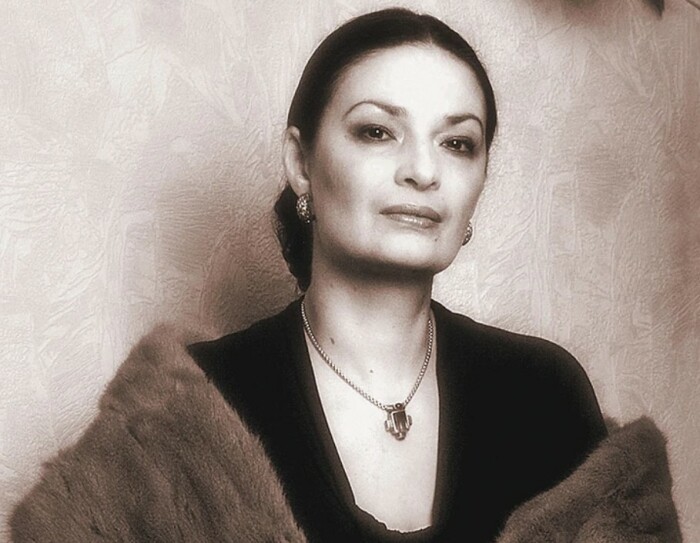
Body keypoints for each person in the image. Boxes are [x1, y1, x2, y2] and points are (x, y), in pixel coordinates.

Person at [10, 8, 681, 543]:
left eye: (457, 143)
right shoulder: (190, 409)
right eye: (377, 132)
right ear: (301, 164)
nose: (423, 171)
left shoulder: (544, 392)